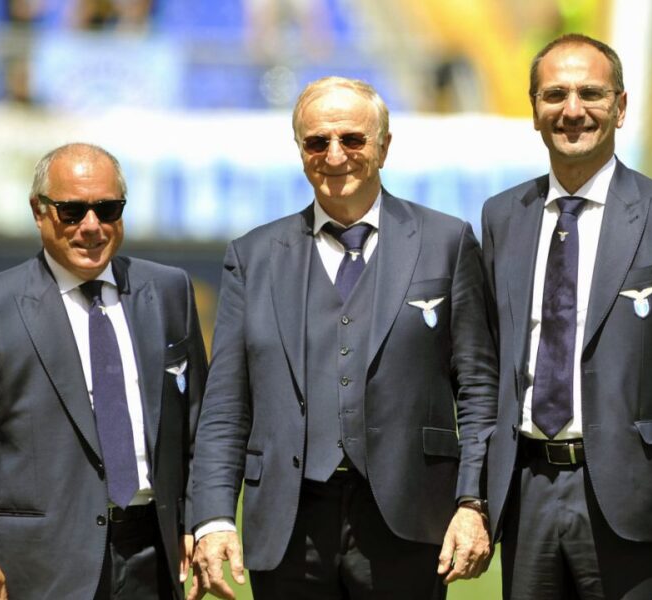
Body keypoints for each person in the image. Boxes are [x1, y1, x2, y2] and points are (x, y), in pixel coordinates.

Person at [189, 76, 498, 599]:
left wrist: (474, 502)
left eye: (352, 139)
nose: (335, 155)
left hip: (409, 519)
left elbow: (479, 391)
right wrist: (214, 517)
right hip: (288, 525)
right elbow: (225, 403)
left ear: (384, 146)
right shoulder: (253, 256)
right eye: (317, 142)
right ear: (300, 150)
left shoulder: (447, 242)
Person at [481, 34, 652, 599]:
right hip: (527, 490)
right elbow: (492, 356)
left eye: (591, 93)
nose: (573, 110)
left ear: (620, 106)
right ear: (534, 110)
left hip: (637, 492)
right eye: (555, 95)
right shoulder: (502, 217)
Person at [0, 143, 208, 599]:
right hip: (35, 567)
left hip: (156, 557)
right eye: (72, 211)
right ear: (38, 211)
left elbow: (198, 426)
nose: (91, 226)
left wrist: (200, 522)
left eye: (107, 209)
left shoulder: (168, 290)